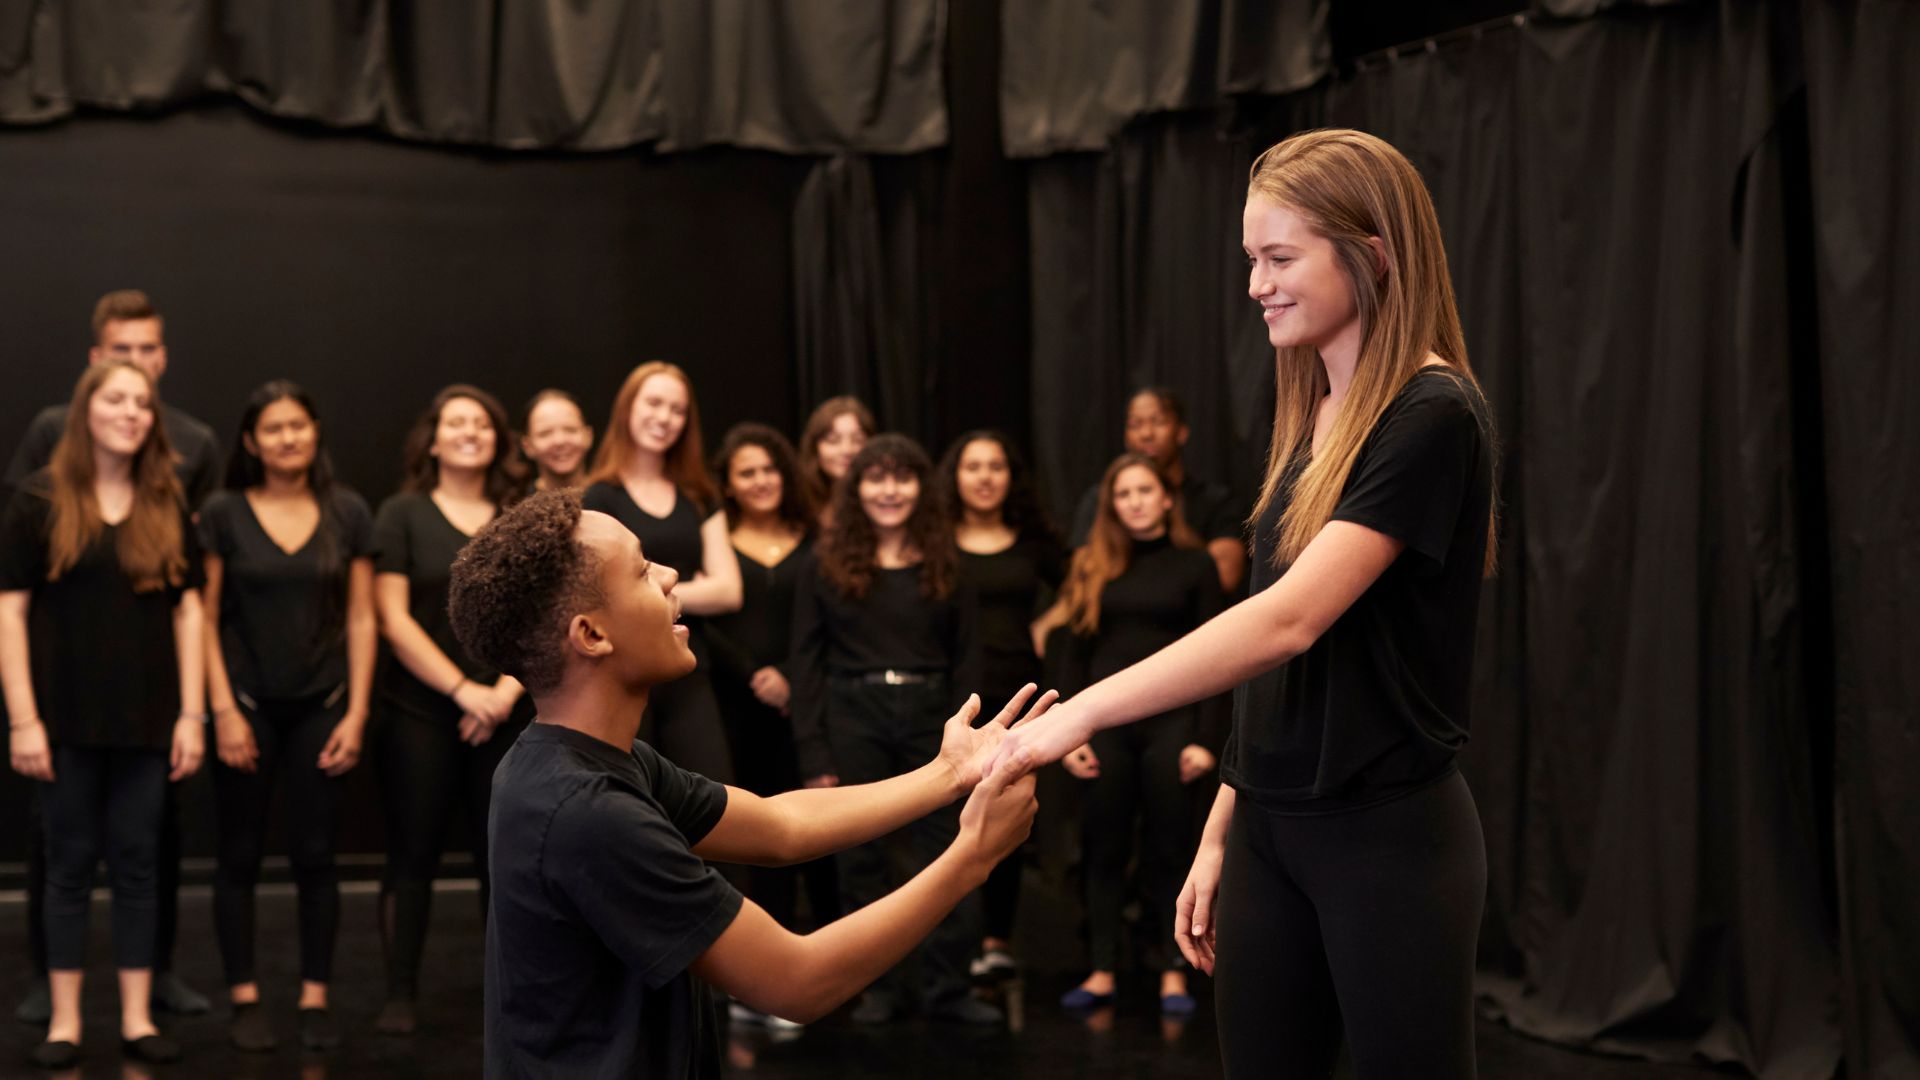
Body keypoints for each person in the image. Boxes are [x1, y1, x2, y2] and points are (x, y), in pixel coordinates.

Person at [995, 129, 1500, 1079]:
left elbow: (1285, 620)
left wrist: (1078, 715)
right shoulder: (1312, 413)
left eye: (1279, 258)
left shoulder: (1432, 415)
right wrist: (1226, 824)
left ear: (1371, 252)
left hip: (1386, 838)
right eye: (1251, 261)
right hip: (1272, 830)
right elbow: (1281, 662)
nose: (1259, 284)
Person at [446, 490, 1044, 1078]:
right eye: (641, 570)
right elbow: (798, 981)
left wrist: (949, 774)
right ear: (592, 636)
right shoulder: (587, 812)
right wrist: (973, 856)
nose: (671, 574)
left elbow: (780, 827)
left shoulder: (583, 759)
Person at [3, 290, 219, 1024]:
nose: (130, 407)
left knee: (142, 861)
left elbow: (191, 604)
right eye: (114, 392)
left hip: (150, 714)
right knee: (63, 863)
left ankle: (141, 1005)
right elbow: (13, 603)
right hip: (64, 711)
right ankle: (59, 1009)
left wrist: (194, 712)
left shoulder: (173, 487)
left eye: (141, 396)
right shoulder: (40, 487)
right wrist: (23, 719)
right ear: (86, 396)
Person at [787, 434, 994, 1024]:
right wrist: (815, 753)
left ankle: (948, 988)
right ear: (857, 490)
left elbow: (968, 658)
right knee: (861, 859)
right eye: (875, 478)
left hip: (937, 717)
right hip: (854, 715)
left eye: (902, 477)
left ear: (921, 489)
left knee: (951, 849)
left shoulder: (947, 562)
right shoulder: (823, 565)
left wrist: (971, 733)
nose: (889, 490)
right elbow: (805, 665)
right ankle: (875, 988)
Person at [199, 381, 375, 1052]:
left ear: (316, 431)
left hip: (324, 705)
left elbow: (362, 618)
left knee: (315, 856)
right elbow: (207, 617)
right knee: (239, 854)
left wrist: (357, 712)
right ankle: (243, 995)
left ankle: (315, 997)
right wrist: (223, 710)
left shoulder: (348, 511)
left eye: (298, 425)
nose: (287, 438)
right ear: (251, 441)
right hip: (244, 705)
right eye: (272, 429)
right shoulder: (221, 512)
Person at [370, 384, 532, 1035]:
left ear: (497, 439)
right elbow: (391, 618)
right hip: (420, 711)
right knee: (413, 854)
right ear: (432, 440)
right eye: (454, 423)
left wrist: (501, 692)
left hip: (511, 704)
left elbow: (539, 613)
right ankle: (400, 993)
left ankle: (510, 995)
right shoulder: (401, 513)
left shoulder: (520, 513)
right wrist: (465, 692)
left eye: (481, 424)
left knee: (505, 859)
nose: (469, 432)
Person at [1050, 453, 1225, 1017]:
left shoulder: (1196, 564)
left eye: (1144, 490)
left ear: (1166, 497)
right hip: (1106, 723)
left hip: (1173, 724)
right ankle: (1101, 969)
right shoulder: (1093, 565)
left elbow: (1221, 655)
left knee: (1171, 845)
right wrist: (1066, 733)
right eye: (1123, 493)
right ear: (1111, 505)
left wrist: (1205, 738)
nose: (1135, 501)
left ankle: (1174, 973)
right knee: (1103, 845)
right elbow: (1074, 655)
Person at [702, 425, 841, 1018]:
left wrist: (788, 675)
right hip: (733, 705)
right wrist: (755, 673)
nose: (760, 481)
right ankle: (761, 979)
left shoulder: (817, 539)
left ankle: (835, 972)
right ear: (729, 484)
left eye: (769, 470)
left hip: (808, 702)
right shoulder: (715, 543)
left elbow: (833, 621)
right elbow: (700, 620)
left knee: (823, 832)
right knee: (756, 834)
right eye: (746, 472)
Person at [935, 431, 1063, 983]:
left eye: (996, 466)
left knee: (1005, 807)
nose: (985, 477)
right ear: (955, 477)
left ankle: (995, 940)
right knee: (943, 814)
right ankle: (946, 939)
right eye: (973, 467)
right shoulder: (936, 541)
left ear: (1010, 477)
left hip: (1018, 693)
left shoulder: (1033, 541)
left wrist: (1047, 624)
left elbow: (1087, 586)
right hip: (951, 694)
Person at [583, 363, 740, 784]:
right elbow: (601, 592)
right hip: (625, 673)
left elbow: (729, 591)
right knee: (634, 801)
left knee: (715, 797)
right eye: (654, 403)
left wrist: (644, 587)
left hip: (690, 665)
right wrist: (694, 587)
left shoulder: (698, 496)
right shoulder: (599, 495)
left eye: (677, 409)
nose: (664, 418)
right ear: (627, 409)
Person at [1064, 388, 1246, 594]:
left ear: (1168, 500)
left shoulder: (1216, 502)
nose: (1146, 434)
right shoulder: (1098, 499)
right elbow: (1081, 582)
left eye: (1159, 422)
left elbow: (1223, 578)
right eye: (1135, 425)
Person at [795, 396, 875, 527]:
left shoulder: (882, 503)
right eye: (833, 440)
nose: (847, 450)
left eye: (858, 440)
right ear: (814, 447)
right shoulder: (798, 502)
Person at [518, 389, 594, 491]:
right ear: (527, 446)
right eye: (545, 433)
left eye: (570, 430)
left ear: (588, 436)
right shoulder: (513, 501)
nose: (559, 441)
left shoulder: (615, 499)